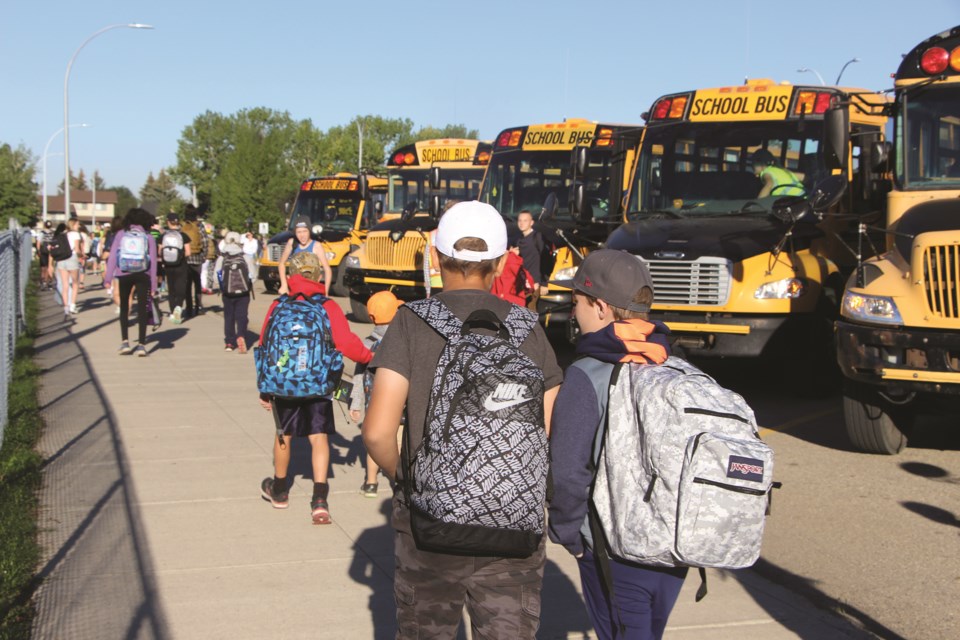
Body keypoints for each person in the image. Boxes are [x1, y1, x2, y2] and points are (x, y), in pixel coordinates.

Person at [361, 201, 563, 638]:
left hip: (430, 528)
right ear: (502, 261)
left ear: (435, 256)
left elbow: (377, 432)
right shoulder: (530, 330)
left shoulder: (410, 324)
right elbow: (550, 433)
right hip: (512, 526)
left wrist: (411, 481)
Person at [547, 249, 685, 640]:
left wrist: (570, 536)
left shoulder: (585, 375)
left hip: (612, 549)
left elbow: (569, 470)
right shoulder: (671, 365)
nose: (573, 313)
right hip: (670, 544)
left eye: (576, 303)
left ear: (602, 308)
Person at [258, 251, 371, 524]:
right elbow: (346, 342)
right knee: (318, 436)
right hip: (318, 383)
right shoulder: (326, 305)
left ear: (291, 276)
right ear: (318, 275)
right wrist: (369, 358)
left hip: (283, 384)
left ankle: (280, 490)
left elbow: (264, 346)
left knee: (283, 434)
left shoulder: (278, 306)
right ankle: (319, 500)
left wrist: (264, 388)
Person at [349, 290, 404, 498]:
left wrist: (355, 403)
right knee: (397, 440)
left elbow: (358, 376)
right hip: (400, 404)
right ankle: (398, 480)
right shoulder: (402, 341)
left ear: (372, 318)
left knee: (374, 444)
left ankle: (371, 482)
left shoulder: (366, 344)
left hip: (373, 403)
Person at [104, 208, 159, 357]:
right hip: (143, 274)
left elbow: (113, 258)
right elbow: (153, 262)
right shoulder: (149, 237)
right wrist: (154, 285)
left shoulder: (121, 235)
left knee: (123, 307)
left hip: (124, 273)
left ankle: (125, 342)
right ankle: (141, 344)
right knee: (142, 309)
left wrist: (108, 278)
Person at [277, 215, 332, 296]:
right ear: (295, 233)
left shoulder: (316, 245)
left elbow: (327, 269)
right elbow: (281, 264)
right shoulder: (291, 243)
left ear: (309, 231)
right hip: (295, 288)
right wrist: (284, 285)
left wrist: (326, 292)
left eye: (305, 231)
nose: (302, 235)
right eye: (299, 232)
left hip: (311, 288)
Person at [216, 232, 252, 352]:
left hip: (227, 292)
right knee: (242, 315)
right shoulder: (245, 257)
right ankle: (241, 335)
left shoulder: (222, 258)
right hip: (243, 292)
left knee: (229, 316)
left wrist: (221, 287)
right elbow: (253, 274)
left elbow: (217, 275)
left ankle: (230, 342)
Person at [516, 209, 550, 312]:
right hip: (522, 285)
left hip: (535, 284)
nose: (522, 223)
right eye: (520, 220)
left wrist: (544, 284)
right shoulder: (518, 240)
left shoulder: (538, 238)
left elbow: (547, 260)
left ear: (531, 223)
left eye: (525, 220)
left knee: (531, 312)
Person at [161, 213, 192, 324]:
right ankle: (178, 307)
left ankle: (172, 312)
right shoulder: (183, 236)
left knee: (171, 290)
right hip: (181, 265)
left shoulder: (163, 236)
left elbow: (161, 251)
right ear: (178, 222)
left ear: (168, 222)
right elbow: (188, 252)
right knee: (181, 288)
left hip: (168, 266)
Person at [55, 218, 84, 319]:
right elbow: (77, 249)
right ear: (74, 224)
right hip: (72, 258)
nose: (79, 226)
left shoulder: (64, 234)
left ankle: (66, 307)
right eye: (78, 224)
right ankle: (73, 305)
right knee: (76, 282)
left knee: (65, 284)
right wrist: (82, 255)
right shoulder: (75, 234)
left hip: (61, 259)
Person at [181, 205, 206, 318]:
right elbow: (205, 241)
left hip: (185, 259)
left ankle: (189, 307)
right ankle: (199, 306)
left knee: (187, 284)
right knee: (197, 283)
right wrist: (204, 255)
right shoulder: (199, 226)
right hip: (197, 258)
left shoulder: (183, 226)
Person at [36, 221, 54, 291]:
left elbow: (38, 242)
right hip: (51, 251)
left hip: (43, 251)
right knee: (50, 266)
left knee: (43, 267)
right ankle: (49, 280)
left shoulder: (42, 233)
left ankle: (43, 281)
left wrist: (38, 250)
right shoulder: (53, 233)